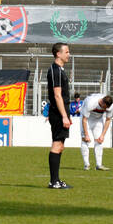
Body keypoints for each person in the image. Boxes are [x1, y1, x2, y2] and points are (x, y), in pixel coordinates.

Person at [46, 43, 72, 189]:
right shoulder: (55, 70)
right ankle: (53, 181)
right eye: (66, 52)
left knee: (60, 146)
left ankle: (56, 180)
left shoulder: (60, 70)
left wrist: (67, 114)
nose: (69, 54)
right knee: (57, 145)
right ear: (58, 54)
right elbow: (57, 95)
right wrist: (63, 116)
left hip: (62, 112)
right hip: (57, 113)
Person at [80, 92, 113, 171]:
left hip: (98, 120)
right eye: (104, 107)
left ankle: (99, 165)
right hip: (86, 119)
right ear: (102, 102)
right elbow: (84, 119)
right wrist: (86, 134)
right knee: (85, 140)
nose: (105, 110)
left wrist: (103, 135)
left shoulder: (110, 106)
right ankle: (86, 164)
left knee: (99, 140)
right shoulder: (91, 102)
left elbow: (108, 120)